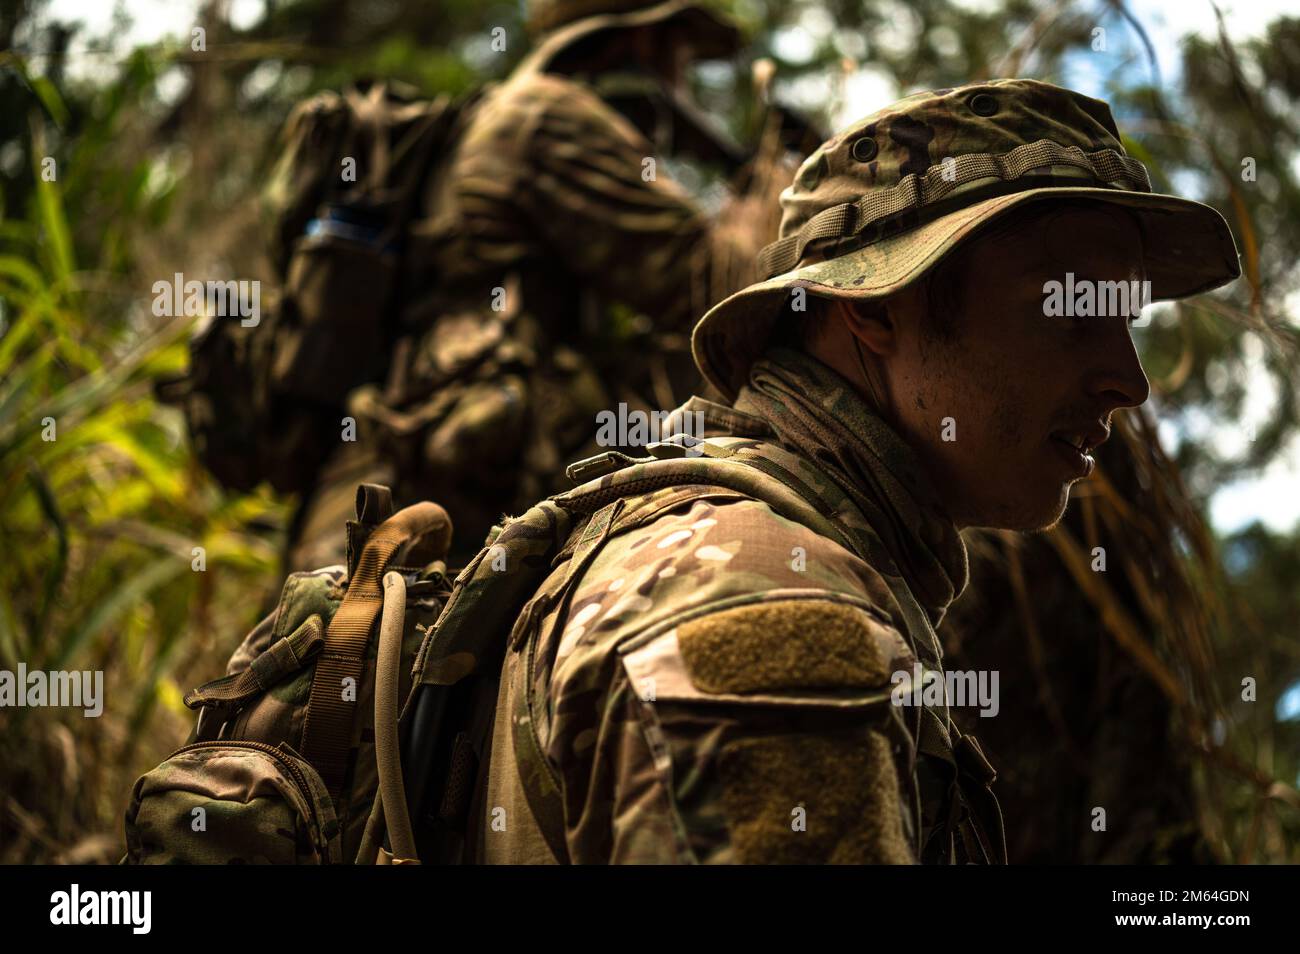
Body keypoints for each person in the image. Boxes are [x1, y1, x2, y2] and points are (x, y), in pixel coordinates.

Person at [470, 78, 1240, 863]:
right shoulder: (773, 618)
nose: (1130, 380)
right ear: (873, 307)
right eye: (1074, 308)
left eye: (1126, 320)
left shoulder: (724, 544)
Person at [284, 0, 790, 569]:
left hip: (397, 485)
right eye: (684, 49)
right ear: (647, 39)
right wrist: (770, 206)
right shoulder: (550, 117)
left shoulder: (498, 111)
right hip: (432, 498)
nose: (686, 75)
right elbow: (721, 296)